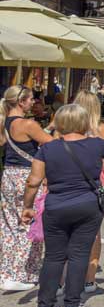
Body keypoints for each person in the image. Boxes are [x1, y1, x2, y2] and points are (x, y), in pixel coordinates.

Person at [21, 104, 104, 307]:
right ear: (84, 122)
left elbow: (33, 181)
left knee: (53, 257)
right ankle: (72, 306)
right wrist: (98, 138)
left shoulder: (47, 149)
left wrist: (27, 207)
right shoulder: (96, 144)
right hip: (87, 206)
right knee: (79, 255)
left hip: (56, 206)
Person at [0, 86, 52, 292]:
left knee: (8, 225)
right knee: (29, 222)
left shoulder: (4, 122)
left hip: (9, 175)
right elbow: (51, 144)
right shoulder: (28, 124)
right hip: (28, 175)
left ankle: (6, 272)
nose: (34, 102)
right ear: (21, 102)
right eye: (31, 99)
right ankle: (24, 272)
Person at [73, 91, 104, 293]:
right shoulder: (101, 129)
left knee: (69, 230)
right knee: (94, 231)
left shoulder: (64, 130)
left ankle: (66, 278)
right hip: (95, 181)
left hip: (68, 183)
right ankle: (89, 279)